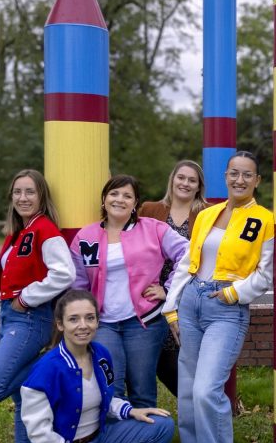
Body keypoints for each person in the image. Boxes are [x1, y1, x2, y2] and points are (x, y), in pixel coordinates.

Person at [163, 150, 274, 443]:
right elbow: (187, 264)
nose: (239, 180)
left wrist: (233, 293)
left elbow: (265, 273)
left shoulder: (265, 219)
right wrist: (171, 306)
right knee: (186, 396)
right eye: (233, 173)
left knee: (206, 391)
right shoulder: (206, 214)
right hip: (192, 303)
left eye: (247, 175)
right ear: (225, 176)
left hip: (226, 307)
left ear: (257, 181)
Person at [0, 169, 75, 443]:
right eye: (17, 192)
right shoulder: (20, 231)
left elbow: (64, 273)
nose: (23, 198)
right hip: (10, 319)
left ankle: (49, 370)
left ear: (42, 196)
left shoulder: (45, 230)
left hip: (29, 319)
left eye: (30, 192)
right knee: (23, 400)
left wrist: (27, 297)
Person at [21, 289, 174, 443]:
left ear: (97, 321)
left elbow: (105, 398)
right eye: (73, 319)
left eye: (90, 318)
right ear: (60, 324)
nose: (83, 325)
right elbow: (39, 433)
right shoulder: (45, 371)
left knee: (161, 425)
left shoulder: (100, 354)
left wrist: (130, 411)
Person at [70, 174, 188, 410]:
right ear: (104, 200)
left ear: (135, 203)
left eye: (127, 196)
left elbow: (188, 253)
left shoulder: (154, 228)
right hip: (103, 323)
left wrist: (168, 289)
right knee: (111, 388)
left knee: (142, 390)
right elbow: (77, 283)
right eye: (114, 194)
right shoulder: (86, 236)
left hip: (144, 322)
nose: (120, 199)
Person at [140, 160, 208, 397]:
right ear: (172, 180)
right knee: (153, 360)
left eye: (192, 180)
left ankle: (199, 410)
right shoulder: (149, 210)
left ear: (199, 186)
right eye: (181, 177)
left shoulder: (206, 215)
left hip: (187, 296)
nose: (185, 183)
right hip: (149, 297)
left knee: (178, 362)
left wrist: (169, 291)